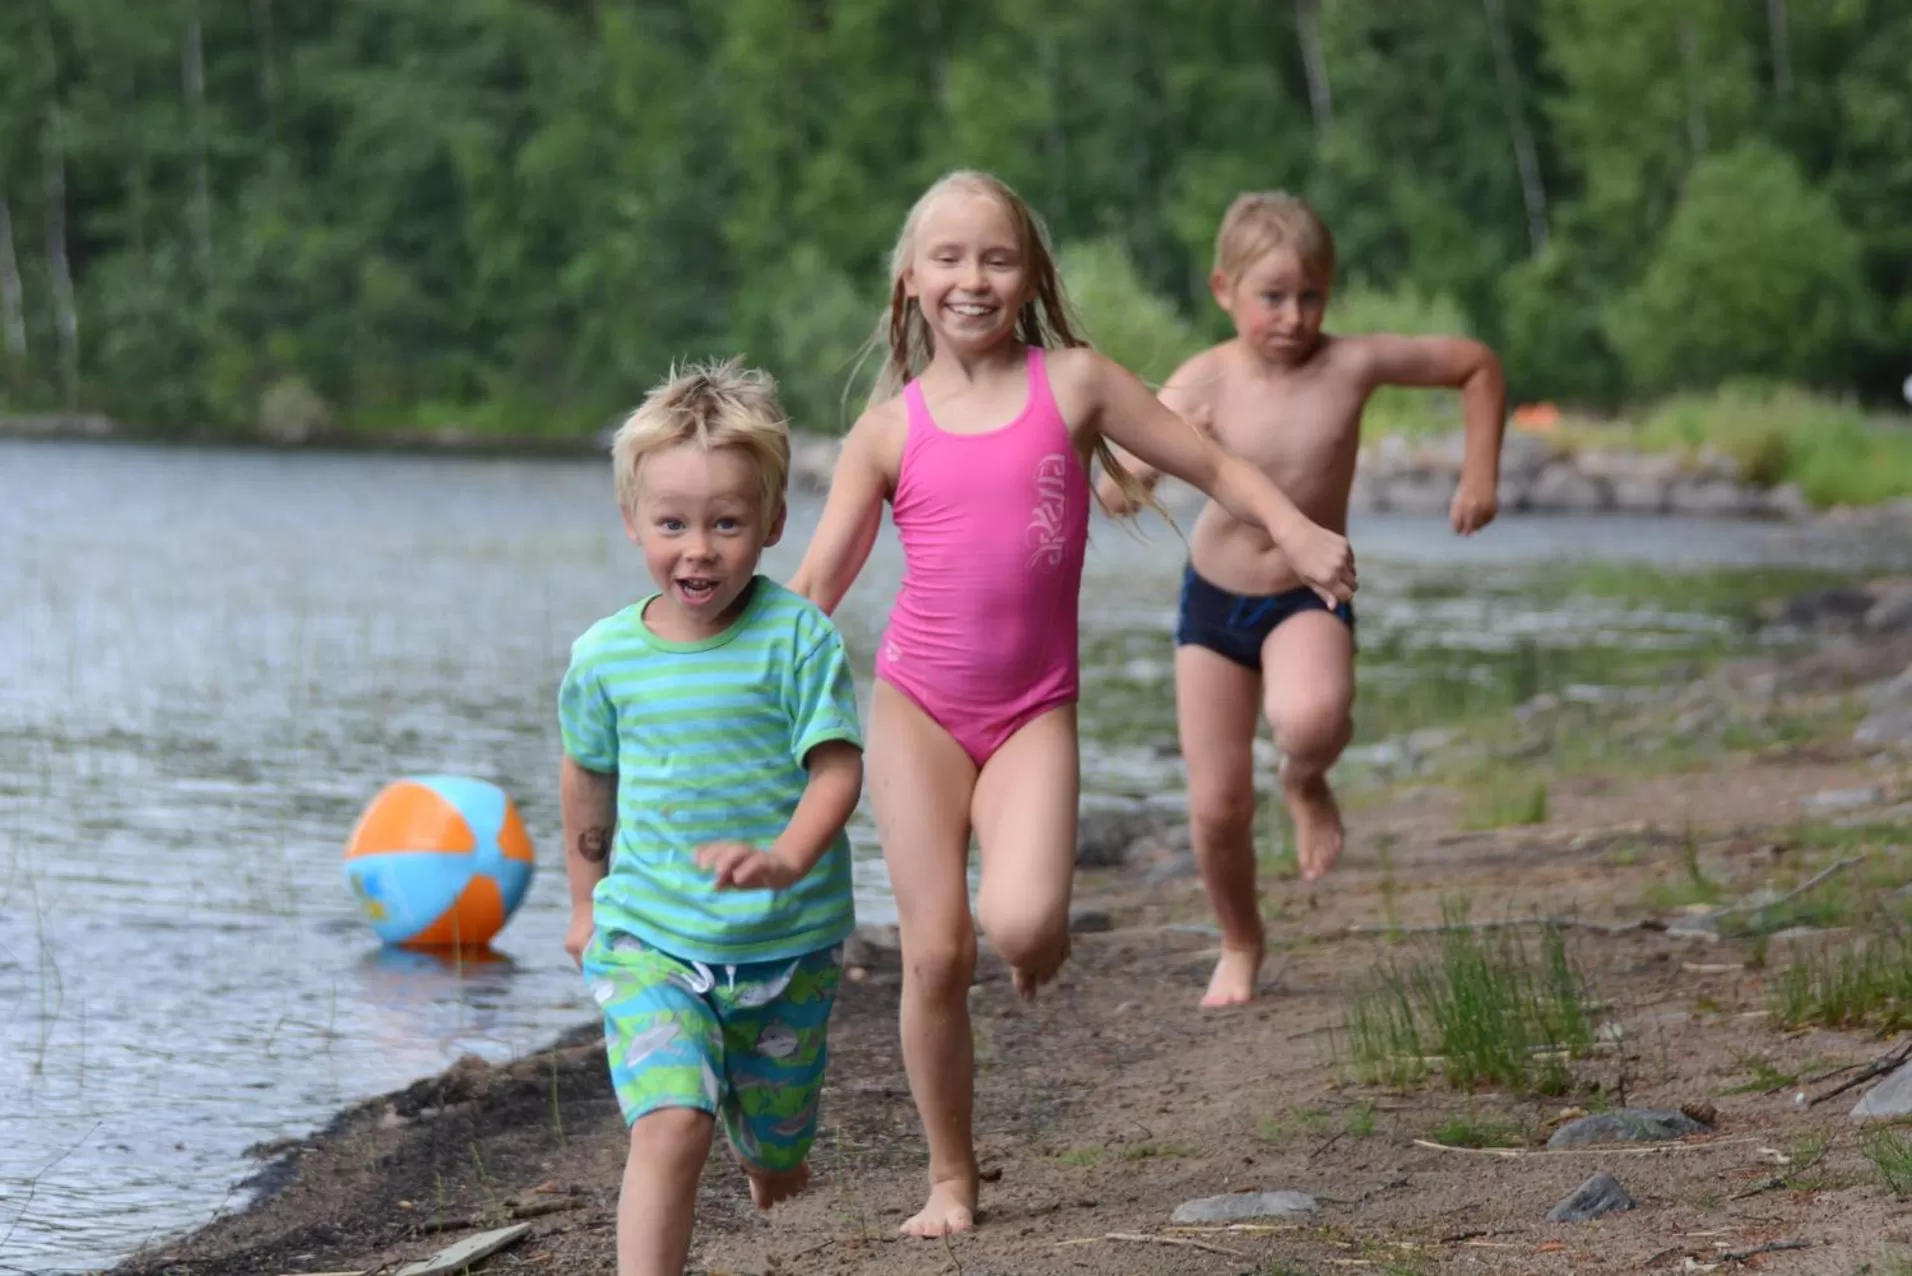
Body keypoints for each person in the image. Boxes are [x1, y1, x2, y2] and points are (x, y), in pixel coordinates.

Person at [786, 169, 1357, 1239]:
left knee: (1023, 920)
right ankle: (951, 1178)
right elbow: (814, 593)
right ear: (909, 282)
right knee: (934, 953)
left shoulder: (1078, 385)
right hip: (914, 708)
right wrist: (713, 685)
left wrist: (1300, 532)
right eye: (947, 258)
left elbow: (1215, 463)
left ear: (1031, 277)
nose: (972, 278)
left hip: (1030, 713)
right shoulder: (886, 431)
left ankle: (1031, 931)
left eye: (996, 258)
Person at [1096, 190, 1507, 1008]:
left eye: (1309, 296)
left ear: (1330, 291)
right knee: (1216, 806)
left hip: (1306, 594)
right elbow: (1113, 498)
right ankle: (1241, 941)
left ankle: (1306, 778)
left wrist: (1479, 473)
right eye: (1270, 297)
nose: (1291, 316)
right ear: (1224, 291)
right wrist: (1143, 466)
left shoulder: (1349, 366)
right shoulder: (1201, 378)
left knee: (1311, 719)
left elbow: (1475, 365)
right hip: (1213, 604)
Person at [557, 358, 866, 1276]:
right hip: (650, 934)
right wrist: (585, 902)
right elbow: (587, 778)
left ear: (772, 523)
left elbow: (838, 772)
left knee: (777, 1155)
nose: (698, 549)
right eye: (673, 524)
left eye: (727, 523)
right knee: (671, 1121)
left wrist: (784, 857)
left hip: (786, 944)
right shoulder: (606, 656)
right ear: (633, 523)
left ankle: (770, 1155)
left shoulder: (798, 637)